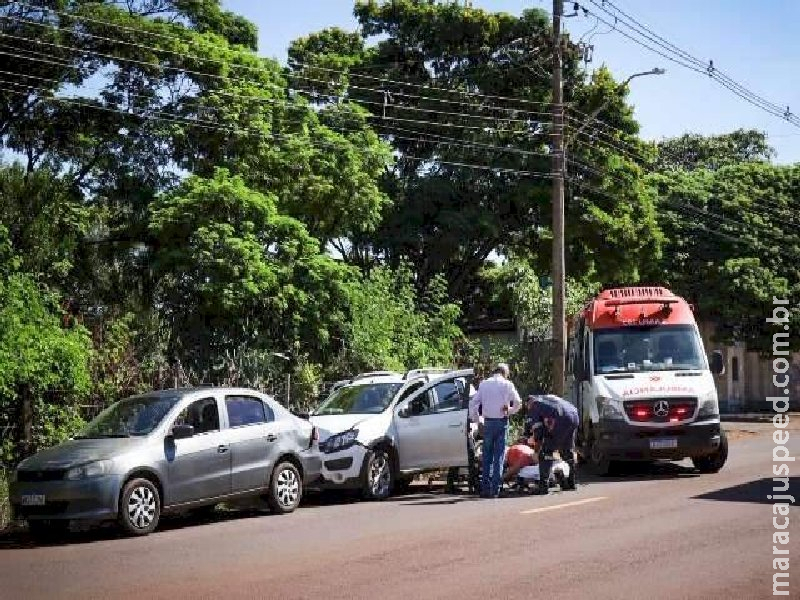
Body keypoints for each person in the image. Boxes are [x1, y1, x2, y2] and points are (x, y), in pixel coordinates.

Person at [469, 363, 522, 498]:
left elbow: (473, 404)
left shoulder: (484, 384)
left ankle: (485, 488)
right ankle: (495, 489)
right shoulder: (507, 384)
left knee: (487, 456)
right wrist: (509, 411)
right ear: (504, 372)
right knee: (499, 456)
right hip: (501, 422)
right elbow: (518, 403)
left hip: (487, 422)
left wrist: (477, 420)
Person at [525, 394, 579, 495]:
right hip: (574, 414)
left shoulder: (534, 405)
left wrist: (537, 450)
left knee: (546, 453)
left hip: (562, 417)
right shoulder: (547, 398)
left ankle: (543, 487)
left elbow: (538, 431)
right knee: (567, 450)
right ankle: (572, 482)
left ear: (528, 403)